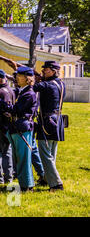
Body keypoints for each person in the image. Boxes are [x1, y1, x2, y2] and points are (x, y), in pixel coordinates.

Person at [0, 66, 37, 192]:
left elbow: (16, 110)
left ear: (27, 79)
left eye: (20, 76)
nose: (17, 78)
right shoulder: (22, 91)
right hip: (17, 127)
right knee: (19, 158)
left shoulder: (29, 93)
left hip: (23, 128)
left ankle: (27, 185)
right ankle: (24, 183)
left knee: (23, 159)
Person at [33, 61, 66, 192]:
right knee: (51, 152)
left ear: (53, 71)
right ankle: (47, 179)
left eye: (46, 70)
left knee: (45, 154)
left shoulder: (47, 85)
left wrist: (31, 78)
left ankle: (56, 184)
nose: (43, 71)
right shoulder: (60, 83)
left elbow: (32, 88)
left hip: (47, 121)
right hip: (57, 120)